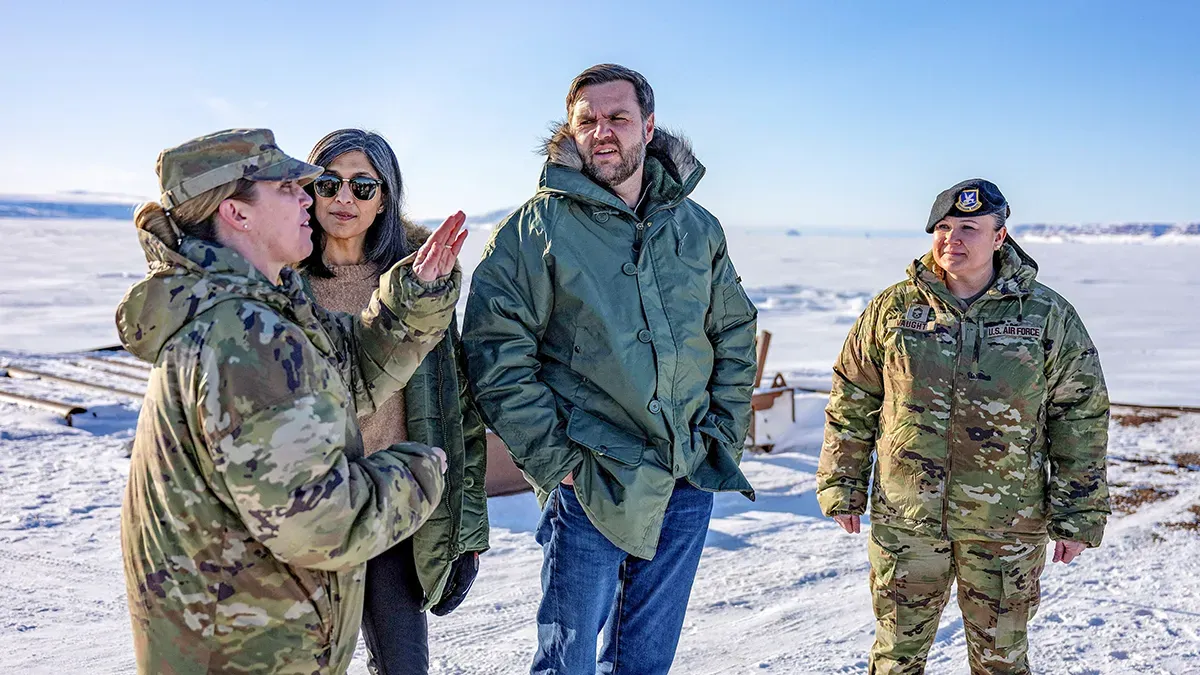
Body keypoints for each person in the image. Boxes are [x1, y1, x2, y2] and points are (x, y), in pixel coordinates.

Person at [116, 128, 468, 674]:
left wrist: (412, 299)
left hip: (257, 632)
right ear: (237, 213)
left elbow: (350, 372)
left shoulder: (262, 308)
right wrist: (417, 472)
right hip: (245, 646)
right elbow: (319, 524)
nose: (314, 199)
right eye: (291, 188)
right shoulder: (243, 335)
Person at [462, 64, 758, 675]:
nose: (603, 132)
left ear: (648, 127)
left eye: (618, 118)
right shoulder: (533, 231)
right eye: (587, 120)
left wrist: (721, 434)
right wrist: (557, 461)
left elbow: (731, 332)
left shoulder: (696, 227)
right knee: (566, 664)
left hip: (686, 474)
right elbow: (496, 356)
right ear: (571, 132)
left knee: (645, 662)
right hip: (593, 481)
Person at [817, 179, 1110, 674]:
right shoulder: (894, 309)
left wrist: (1080, 512)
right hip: (907, 520)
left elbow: (1079, 414)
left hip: (1006, 525)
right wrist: (842, 482)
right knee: (895, 657)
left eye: (969, 228)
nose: (952, 238)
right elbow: (853, 394)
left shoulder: (1045, 316)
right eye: (944, 227)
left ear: (1000, 237)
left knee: (1001, 662)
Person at [298, 128, 490, 675]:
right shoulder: (283, 281)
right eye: (329, 182)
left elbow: (458, 415)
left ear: (385, 197)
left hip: (392, 504)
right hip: (307, 509)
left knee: (405, 666)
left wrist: (466, 529)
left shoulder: (417, 283)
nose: (343, 199)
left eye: (362, 186)